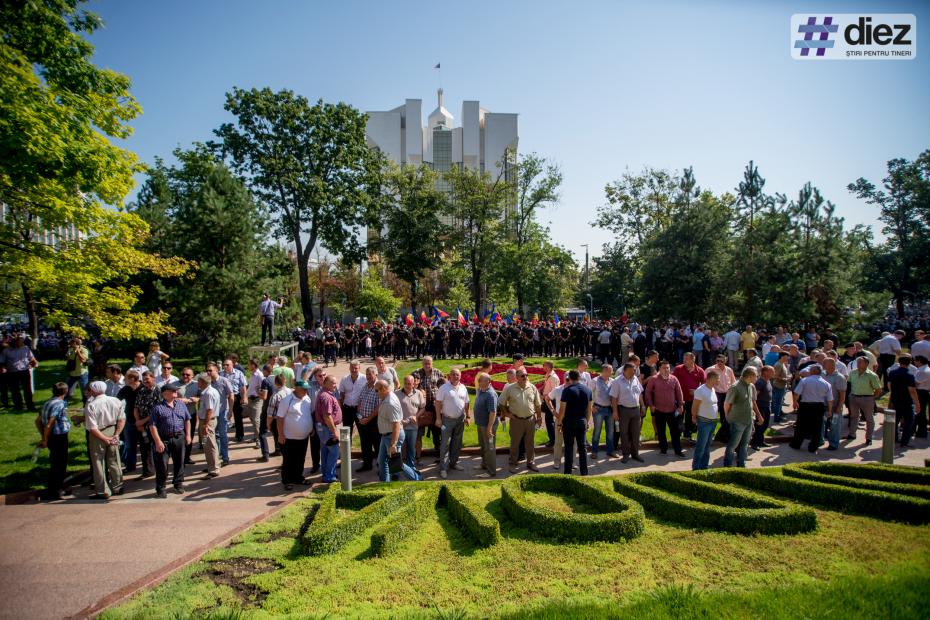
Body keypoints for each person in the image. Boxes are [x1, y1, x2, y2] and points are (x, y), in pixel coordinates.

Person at [83, 381, 125, 500]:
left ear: (94, 390)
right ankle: (118, 486)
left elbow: (92, 427)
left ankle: (103, 491)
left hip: (98, 434)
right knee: (114, 459)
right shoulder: (115, 401)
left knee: (98, 462)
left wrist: (104, 438)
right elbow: (121, 419)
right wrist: (116, 434)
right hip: (113, 429)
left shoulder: (91, 404)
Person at [147, 383, 191, 497]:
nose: (176, 392)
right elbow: (152, 426)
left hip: (179, 437)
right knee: (162, 464)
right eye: (173, 391)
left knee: (179, 462)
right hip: (163, 439)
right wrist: (157, 441)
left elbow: (187, 420)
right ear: (165, 394)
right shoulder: (157, 408)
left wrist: (188, 435)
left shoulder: (181, 405)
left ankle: (178, 484)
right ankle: (161, 487)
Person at [500, 369, 542, 473]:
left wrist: (539, 418)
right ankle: (513, 463)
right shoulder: (510, 388)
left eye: (526, 375)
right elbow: (501, 403)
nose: (525, 377)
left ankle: (530, 462)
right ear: (517, 377)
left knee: (530, 443)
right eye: (522, 376)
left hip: (530, 420)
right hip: (516, 421)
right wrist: (507, 414)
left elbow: (538, 404)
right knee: (515, 443)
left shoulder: (532, 387)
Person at [276, 380, 314, 489]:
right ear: (296, 388)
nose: (306, 391)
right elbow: (279, 418)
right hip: (289, 437)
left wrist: (310, 428)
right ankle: (287, 481)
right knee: (289, 460)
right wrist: (281, 435)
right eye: (304, 389)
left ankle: (298, 478)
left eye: (307, 389)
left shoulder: (307, 398)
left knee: (300, 459)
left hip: (304, 436)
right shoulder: (287, 400)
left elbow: (307, 414)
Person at [36, 382, 71, 499]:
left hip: (51, 436)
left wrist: (44, 437)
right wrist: (45, 439)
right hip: (58, 436)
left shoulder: (47, 402)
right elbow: (50, 423)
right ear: (66, 392)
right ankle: (56, 490)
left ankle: (54, 488)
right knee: (60, 464)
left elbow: (38, 421)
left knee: (55, 462)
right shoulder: (60, 404)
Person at [724, 367, 764, 467]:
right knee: (733, 445)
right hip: (737, 421)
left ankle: (741, 464)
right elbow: (727, 404)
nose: (757, 378)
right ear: (750, 376)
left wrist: (758, 416)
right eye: (756, 376)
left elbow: (753, 402)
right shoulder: (735, 387)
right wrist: (728, 417)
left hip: (749, 420)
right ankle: (727, 466)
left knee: (745, 444)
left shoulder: (751, 386)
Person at [645, 361, 685, 457]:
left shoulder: (674, 379)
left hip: (672, 410)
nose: (666, 370)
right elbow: (648, 392)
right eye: (664, 368)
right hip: (659, 410)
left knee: (675, 432)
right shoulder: (654, 379)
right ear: (659, 369)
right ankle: (663, 450)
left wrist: (680, 405)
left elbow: (679, 392)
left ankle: (678, 450)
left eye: (668, 368)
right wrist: (651, 405)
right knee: (661, 431)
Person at [435, 368, 470, 479]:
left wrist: (468, 416)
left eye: (457, 375)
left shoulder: (463, 388)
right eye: (453, 374)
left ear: (460, 376)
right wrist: (438, 418)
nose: (455, 376)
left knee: (457, 443)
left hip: (460, 419)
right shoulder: (443, 388)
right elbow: (438, 403)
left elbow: (467, 403)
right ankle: (443, 468)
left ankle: (453, 463)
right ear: (449, 376)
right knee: (445, 443)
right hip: (447, 420)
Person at [790, 364, 833, 453]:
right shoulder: (826, 384)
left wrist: (795, 402)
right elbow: (830, 399)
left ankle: (796, 444)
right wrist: (829, 410)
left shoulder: (804, 381)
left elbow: (796, 393)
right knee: (817, 427)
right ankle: (813, 447)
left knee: (801, 426)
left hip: (805, 405)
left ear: (812, 371)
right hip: (819, 407)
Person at [557, 370, 593, 476]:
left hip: (569, 422)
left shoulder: (567, 390)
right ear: (579, 377)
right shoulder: (588, 390)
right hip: (582, 421)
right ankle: (584, 472)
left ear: (570, 378)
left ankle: (567, 473)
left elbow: (562, 410)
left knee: (569, 447)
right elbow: (589, 409)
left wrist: (559, 423)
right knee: (582, 448)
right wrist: (586, 421)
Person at [610, 362, 645, 463]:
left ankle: (635, 454)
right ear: (624, 371)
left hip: (636, 409)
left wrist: (642, 405)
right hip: (623, 410)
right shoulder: (617, 381)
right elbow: (613, 398)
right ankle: (626, 454)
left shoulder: (635, 379)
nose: (632, 373)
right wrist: (615, 412)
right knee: (624, 433)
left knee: (635, 433)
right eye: (630, 372)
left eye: (634, 371)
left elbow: (640, 394)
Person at [412, 356, 445, 460]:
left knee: (437, 428)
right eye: (425, 363)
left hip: (435, 405)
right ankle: (416, 454)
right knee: (418, 429)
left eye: (429, 363)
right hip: (420, 405)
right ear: (422, 363)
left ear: (432, 363)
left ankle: (438, 450)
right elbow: (409, 385)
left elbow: (444, 387)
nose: (427, 365)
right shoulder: (416, 373)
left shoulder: (438, 373)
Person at [846, 356, 882, 445]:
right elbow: (849, 384)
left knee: (869, 418)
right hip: (854, 397)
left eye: (860, 362)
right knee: (854, 416)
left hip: (867, 398)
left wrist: (872, 398)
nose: (857, 364)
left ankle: (869, 438)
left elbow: (878, 389)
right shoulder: (852, 373)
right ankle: (852, 434)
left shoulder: (872, 375)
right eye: (857, 362)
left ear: (866, 364)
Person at [314, 374, 342, 483]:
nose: (335, 385)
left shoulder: (323, 393)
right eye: (332, 383)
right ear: (325, 383)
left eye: (335, 383)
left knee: (325, 451)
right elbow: (327, 416)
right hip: (327, 428)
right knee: (334, 452)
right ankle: (330, 476)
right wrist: (334, 431)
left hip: (323, 428)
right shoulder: (326, 396)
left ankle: (326, 473)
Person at [374, 380, 404, 482]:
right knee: (382, 461)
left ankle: (417, 478)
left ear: (384, 389)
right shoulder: (386, 397)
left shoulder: (390, 403)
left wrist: (393, 444)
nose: (375, 392)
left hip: (391, 436)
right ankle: (385, 483)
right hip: (386, 436)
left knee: (395, 463)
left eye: (376, 390)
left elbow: (396, 424)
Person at [887, 355, 919, 448]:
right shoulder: (909, 376)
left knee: (895, 421)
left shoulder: (892, 373)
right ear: (909, 363)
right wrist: (917, 403)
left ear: (899, 362)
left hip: (895, 399)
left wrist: (893, 393)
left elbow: (889, 385)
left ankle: (894, 438)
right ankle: (904, 442)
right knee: (909, 421)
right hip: (906, 401)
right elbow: (912, 391)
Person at [471, 373, 499, 478]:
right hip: (481, 424)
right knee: (483, 446)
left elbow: (493, 412)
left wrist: (489, 428)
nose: (478, 381)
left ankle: (491, 471)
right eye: (479, 380)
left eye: (480, 380)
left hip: (488, 426)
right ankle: (484, 464)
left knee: (490, 448)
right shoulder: (480, 390)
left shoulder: (491, 394)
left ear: (488, 382)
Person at [673, 353, 705, 441]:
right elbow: (673, 382)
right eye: (684, 358)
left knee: (690, 418)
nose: (684, 360)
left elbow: (704, 385)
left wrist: (696, 391)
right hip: (679, 399)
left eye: (687, 358)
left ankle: (688, 435)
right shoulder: (678, 369)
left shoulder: (700, 371)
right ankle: (677, 436)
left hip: (693, 400)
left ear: (692, 360)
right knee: (678, 418)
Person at [207, 362, 234, 466]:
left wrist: (230, 410)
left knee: (222, 435)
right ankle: (216, 457)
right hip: (212, 413)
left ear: (216, 371)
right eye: (207, 370)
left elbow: (231, 396)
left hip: (222, 412)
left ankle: (225, 457)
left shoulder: (224, 381)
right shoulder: (208, 382)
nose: (208, 372)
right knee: (214, 436)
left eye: (210, 370)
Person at [691, 370, 719, 470]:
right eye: (717, 378)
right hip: (704, 422)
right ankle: (696, 467)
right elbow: (695, 406)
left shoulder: (712, 389)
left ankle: (704, 466)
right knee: (701, 446)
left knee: (707, 446)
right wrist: (694, 416)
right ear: (711, 379)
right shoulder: (700, 390)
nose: (718, 380)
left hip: (713, 422)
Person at [1, 335, 38, 410]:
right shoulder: (6, 351)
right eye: (19, 342)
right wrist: (3, 368)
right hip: (12, 372)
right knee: (15, 390)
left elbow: (31, 358)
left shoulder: (25, 348)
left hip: (25, 371)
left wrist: (34, 363)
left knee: (27, 389)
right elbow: (1, 361)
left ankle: (30, 405)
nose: (21, 344)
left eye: (21, 342)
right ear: (14, 342)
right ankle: (18, 405)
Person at [354, 367, 381, 472]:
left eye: (370, 374)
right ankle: (367, 465)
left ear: (376, 374)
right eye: (367, 374)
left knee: (377, 444)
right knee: (365, 444)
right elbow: (360, 401)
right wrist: (360, 417)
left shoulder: (378, 386)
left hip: (374, 421)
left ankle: (381, 467)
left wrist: (368, 419)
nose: (368, 376)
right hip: (363, 420)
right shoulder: (365, 386)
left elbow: (379, 407)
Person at [396, 375, 425, 471]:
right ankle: (399, 466)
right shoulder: (396, 394)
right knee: (400, 447)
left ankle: (411, 466)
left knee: (412, 447)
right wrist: (399, 421)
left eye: (410, 384)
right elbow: (393, 409)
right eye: (406, 384)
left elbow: (422, 408)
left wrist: (416, 416)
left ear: (414, 384)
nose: (407, 386)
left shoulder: (419, 393)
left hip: (413, 426)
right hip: (400, 426)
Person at [195, 373, 221, 478]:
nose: (197, 383)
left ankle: (214, 469)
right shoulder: (210, 391)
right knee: (207, 444)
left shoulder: (208, 393)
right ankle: (212, 465)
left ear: (203, 382)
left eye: (199, 381)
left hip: (207, 422)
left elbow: (209, 410)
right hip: (208, 421)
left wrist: (205, 424)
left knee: (210, 444)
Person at [706, 355, 736, 443]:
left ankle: (723, 435)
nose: (719, 363)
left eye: (721, 361)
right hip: (715, 394)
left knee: (726, 416)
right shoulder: (710, 370)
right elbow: (705, 382)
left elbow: (733, 383)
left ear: (725, 361)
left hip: (727, 395)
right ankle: (711, 434)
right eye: (717, 360)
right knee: (713, 415)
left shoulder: (729, 370)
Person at [590, 364, 615, 461]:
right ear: (604, 371)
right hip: (598, 409)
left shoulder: (612, 381)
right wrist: (591, 406)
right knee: (597, 431)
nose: (612, 372)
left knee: (610, 431)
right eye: (610, 371)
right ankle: (594, 451)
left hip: (610, 409)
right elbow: (589, 393)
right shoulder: (595, 381)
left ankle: (610, 451)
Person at [821, 358, 847, 451]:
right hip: (823, 405)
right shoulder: (822, 374)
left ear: (831, 365)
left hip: (835, 406)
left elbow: (842, 394)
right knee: (821, 424)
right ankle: (820, 441)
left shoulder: (839, 377)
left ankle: (833, 444)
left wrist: (839, 407)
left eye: (825, 363)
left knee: (834, 425)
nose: (823, 364)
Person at [221, 358, 248, 443]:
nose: (225, 366)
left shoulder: (239, 373)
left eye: (227, 365)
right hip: (224, 397)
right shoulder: (221, 374)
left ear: (232, 365)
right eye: (224, 365)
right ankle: (223, 436)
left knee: (238, 416)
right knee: (224, 416)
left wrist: (244, 397)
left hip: (236, 396)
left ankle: (240, 435)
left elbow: (243, 386)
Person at [337, 361, 365, 441]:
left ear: (359, 368)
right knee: (346, 433)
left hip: (359, 409)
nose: (354, 370)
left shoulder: (364, 378)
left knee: (362, 432)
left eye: (356, 368)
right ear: (349, 368)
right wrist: (341, 409)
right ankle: (345, 452)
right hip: (347, 409)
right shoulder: (344, 379)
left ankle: (365, 453)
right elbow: (341, 394)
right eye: (352, 368)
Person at [750, 366, 774, 450]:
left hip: (767, 406)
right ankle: (754, 443)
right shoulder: (760, 382)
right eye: (772, 371)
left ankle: (761, 441)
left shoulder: (768, 381)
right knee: (759, 425)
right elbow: (754, 396)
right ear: (765, 372)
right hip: (761, 407)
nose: (773, 373)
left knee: (765, 425)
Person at [540, 361, 561, 448]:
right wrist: (540, 389)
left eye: (544, 366)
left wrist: (544, 395)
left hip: (550, 401)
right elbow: (546, 386)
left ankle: (553, 440)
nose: (543, 367)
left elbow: (554, 392)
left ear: (548, 367)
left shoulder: (553, 377)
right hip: (547, 399)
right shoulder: (548, 374)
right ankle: (552, 439)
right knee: (548, 420)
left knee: (549, 421)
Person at [245, 359, 265, 449]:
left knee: (256, 420)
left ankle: (259, 441)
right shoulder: (252, 374)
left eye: (249, 364)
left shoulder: (259, 375)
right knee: (252, 419)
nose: (248, 366)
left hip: (257, 400)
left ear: (253, 365)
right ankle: (255, 437)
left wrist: (258, 394)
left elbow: (263, 389)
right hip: (250, 399)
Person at [65, 337, 89, 406]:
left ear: (76, 344)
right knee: (66, 390)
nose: (71, 345)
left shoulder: (84, 350)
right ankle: (63, 405)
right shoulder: (70, 349)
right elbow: (68, 358)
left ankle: (86, 406)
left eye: (72, 344)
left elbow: (83, 360)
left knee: (85, 391)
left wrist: (78, 351)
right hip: (72, 373)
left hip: (82, 373)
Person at [772, 352, 791, 424]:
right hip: (778, 386)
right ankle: (777, 418)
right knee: (778, 403)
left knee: (779, 402)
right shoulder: (778, 365)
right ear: (782, 357)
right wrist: (785, 379)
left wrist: (787, 377)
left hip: (782, 386)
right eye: (787, 356)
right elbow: (774, 376)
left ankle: (779, 415)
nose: (788, 358)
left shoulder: (782, 364)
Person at [914, 355, 930, 439]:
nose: (914, 362)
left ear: (919, 361)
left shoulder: (922, 371)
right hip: (925, 392)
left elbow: (916, 383)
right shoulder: (925, 369)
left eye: (915, 360)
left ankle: (922, 431)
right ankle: (917, 430)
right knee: (920, 411)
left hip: (921, 392)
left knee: (920, 412)